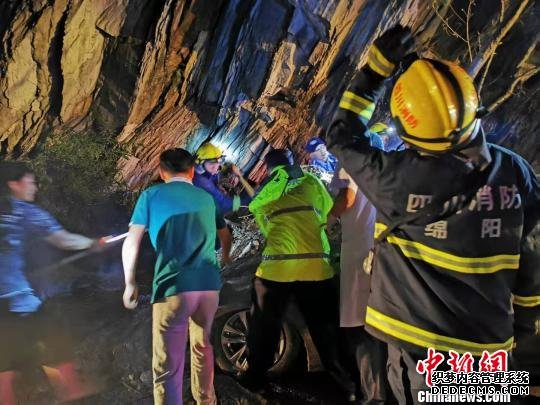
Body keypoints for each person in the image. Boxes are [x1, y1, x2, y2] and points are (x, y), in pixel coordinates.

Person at [326, 25, 539, 404]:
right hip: (492, 355)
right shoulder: (516, 172)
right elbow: (533, 260)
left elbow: (343, 135)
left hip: (426, 357)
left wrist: (375, 71)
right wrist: (521, 334)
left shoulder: (396, 177)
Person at [238, 149, 355, 400]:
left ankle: (256, 380)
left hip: (276, 269)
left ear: (269, 169)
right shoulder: (311, 181)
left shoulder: (265, 190)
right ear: (292, 163)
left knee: (264, 327)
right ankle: (347, 385)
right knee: (326, 328)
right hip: (315, 267)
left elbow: (265, 225)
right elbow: (325, 213)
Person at [121, 148, 232, 405]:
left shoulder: (151, 195)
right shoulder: (206, 197)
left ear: (162, 172)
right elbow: (225, 234)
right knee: (202, 347)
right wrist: (224, 259)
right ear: (192, 171)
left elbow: (131, 241)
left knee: (167, 364)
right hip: (208, 287)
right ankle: (207, 401)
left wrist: (129, 282)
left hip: (173, 286)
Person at [0, 161, 107, 403]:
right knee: (54, 337)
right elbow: (63, 240)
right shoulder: (23, 211)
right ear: (13, 184)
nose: (35, 188)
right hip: (17, 300)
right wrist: (92, 243)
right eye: (30, 182)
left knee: (4, 366)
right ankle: (71, 390)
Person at [328, 128, 397, 404]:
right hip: (385, 250)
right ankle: (392, 390)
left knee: (362, 327)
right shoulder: (389, 168)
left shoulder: (353, 165)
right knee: (385, 325)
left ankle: (375, 395)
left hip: (359, 253)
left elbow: (348, 198)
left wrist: (330, 218)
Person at [193, 143, 253, 215]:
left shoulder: (203, 172)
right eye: (212, 165)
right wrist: (239, 176)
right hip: (218, 211)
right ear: (200, 164)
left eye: (218, 164)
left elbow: (216, 175)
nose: (216, 169)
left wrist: (219, 186)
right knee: (250, 196)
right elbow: (228, 205)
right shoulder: (203, 182)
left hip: (214, 203)